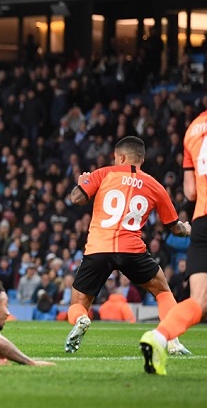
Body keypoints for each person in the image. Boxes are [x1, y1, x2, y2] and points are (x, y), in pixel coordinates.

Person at [140, 64, 207, 375]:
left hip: (206, 220)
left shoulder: (193, 128)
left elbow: (189, 189)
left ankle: (158, 337)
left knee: (202, 301)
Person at [65, 136, 192, 355]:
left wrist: (82, 182)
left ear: (121, 156)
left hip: (98, 249)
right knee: (162, 291)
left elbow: (76, 198)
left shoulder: (102, 174)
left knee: (78, 302)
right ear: (141, 159)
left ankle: (82, 319)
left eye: (115, 157)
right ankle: (172, 341)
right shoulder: (155, 186)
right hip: (131, 249)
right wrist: (187, 229)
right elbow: (175, 228)